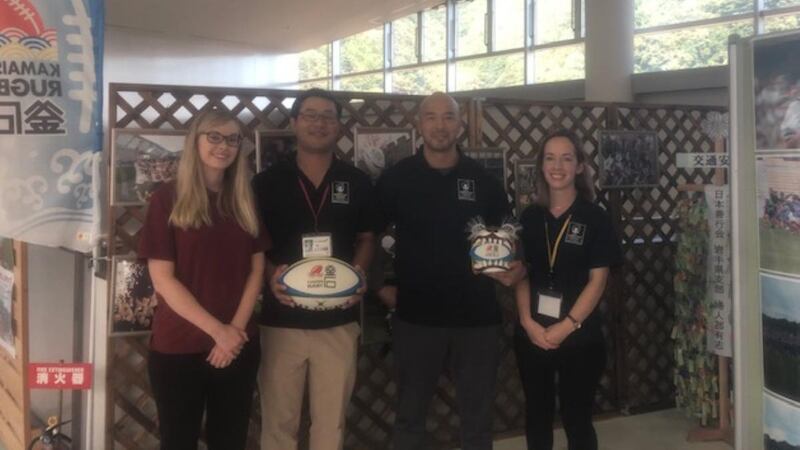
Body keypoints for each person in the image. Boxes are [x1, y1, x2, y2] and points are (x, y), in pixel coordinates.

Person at [376, 92, 526, 450]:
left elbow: (507, 235)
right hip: (416, 317)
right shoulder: (397, 178)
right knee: (410, 415)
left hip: (476, 319)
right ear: (419, 124)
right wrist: (380, 284)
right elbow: (371, 234)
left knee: (477, 419)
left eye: (448, 117)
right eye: (431, 117)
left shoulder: (483, 180)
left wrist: (515, 264)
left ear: (460, 125)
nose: (440, 125)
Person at [252, 88, 377, 450]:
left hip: (338, 321)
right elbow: (255, 245)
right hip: (281, 320)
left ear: (339, 127)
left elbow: (368, 237)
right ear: (294, 123)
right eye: (310, 114)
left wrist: (358, 274)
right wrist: (270, 276)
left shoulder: (356, 181)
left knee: (331, 424)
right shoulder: (266, 183)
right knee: (279, 424)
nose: (319, 123)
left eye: (328, 116)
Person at [138, 109, 269, 450]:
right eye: (214, 136)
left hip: (237, 344)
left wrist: (233, 334)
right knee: (178, 441)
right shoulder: (167, 198)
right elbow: (163, 280)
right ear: (194, 140)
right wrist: (218, 332)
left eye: (232, 139)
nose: (223, 146)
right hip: (179, 346)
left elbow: (256, 270)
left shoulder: (244, 199)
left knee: (230, 439)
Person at [514, 130, 622, 450]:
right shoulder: (530, 217)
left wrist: (566, 326)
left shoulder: (595, 218)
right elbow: (521, 274)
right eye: (550, 157)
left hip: (580, 336)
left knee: (577, 419)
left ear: (579, 166)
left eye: (566, 157)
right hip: (533, 334)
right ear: (541, 166)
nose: (557, 165)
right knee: (536, 416)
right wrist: (527, 322)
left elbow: (598, 281)